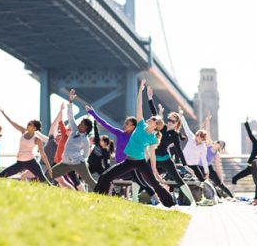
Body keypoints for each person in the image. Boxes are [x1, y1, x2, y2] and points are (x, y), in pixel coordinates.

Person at [94, 79, 175, 207]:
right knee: (106, 175)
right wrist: (140, 90)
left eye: (153, 119)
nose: (150, 118)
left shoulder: (153, 137)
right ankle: (97, 197)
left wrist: (154, 170)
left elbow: (152, 155)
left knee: (154, 183)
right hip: (129, 161)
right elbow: (139, 106)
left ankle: (169, 203)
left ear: (156, 125)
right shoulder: (141, 123)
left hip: (141, 162)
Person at [51, 89, 97, 191]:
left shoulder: (85, 140)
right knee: (50, 173)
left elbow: (85, 154)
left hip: (78, 164)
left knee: (89, 180)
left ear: (86, 128)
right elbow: (70, 116)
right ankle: (41, 189)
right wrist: (70, 102)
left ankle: (104, 193)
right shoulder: (74, 130)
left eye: (82, 124)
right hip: (65, 163)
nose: (79, 124)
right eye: (80, 122)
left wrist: (76, 158)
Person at [0, 108, 52, 182]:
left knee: (43, 181)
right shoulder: (23, 131)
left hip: (31, 162)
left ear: (34, 128)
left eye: (30, 124)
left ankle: (56, 191)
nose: (27, 124)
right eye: (28, 123)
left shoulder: (37, 139)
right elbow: (12, 122)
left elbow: (43, 154)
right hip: (19, 163)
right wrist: (4, 113)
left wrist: (49, 168)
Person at [232, 118, 257, 185]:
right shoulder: (256, 144)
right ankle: (232, 195)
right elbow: (250, 134)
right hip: (249, 167)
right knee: (234, 178)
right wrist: (246, 122)